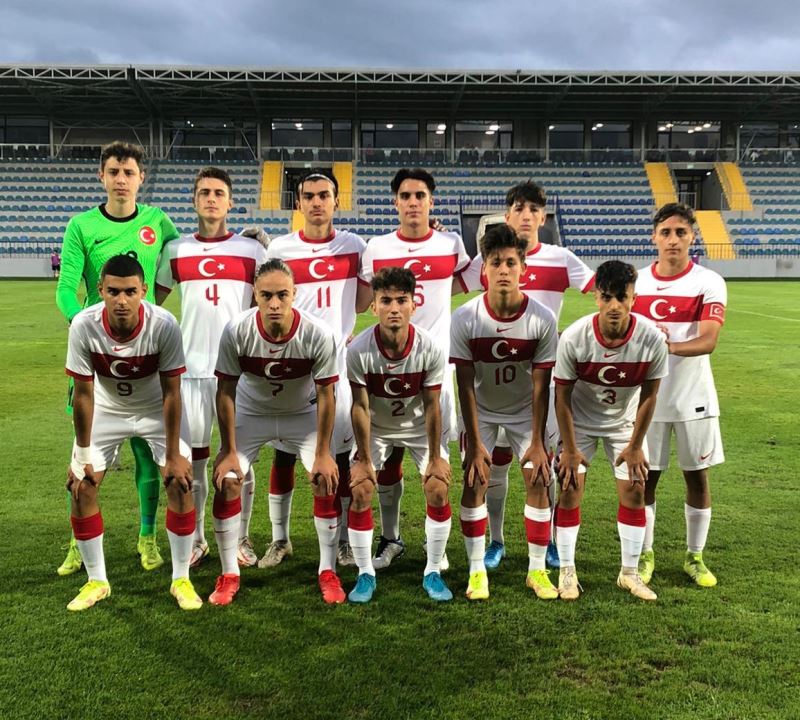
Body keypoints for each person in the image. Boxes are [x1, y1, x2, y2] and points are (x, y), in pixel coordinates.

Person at [56, 141, 180, 577]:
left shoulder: (157, 222)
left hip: (143, 352)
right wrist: (85, 323)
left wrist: (154, 307)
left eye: (129, 171)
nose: (121, 179)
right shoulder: (81, 225)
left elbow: (179, 261)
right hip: (96, 355)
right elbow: (65, 287)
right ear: (102, 177)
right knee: (84, 456)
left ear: (141, 177)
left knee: (149, 455)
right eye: (113, 171)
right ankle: (78, 542)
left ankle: (147, 539)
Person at [457, 181, 595, 570]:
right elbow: (447, 289)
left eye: (535, 209)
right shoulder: (486, 260)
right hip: (491, 383)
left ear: (544, 217)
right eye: (519, 208)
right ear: (507, 214)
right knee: (493, 464)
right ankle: (496, 541)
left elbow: (601, 293)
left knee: (541, 465)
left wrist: (570, 336)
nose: (527, 215)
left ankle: (547, 541)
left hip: (540, 377)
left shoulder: (561, 258)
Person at [64, 254, 199, 611]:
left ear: (143, 291)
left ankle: (181, 578)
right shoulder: (82, 325)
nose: (121, 300)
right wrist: (81, 455)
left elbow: (173, 392)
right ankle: (97, 581)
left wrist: (173, 456)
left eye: (129, 292)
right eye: (113, 292)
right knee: (81, 487)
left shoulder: (164, 324)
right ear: (100, 290)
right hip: (108, 409)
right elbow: (83, 394)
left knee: (179, 482)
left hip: (156, 408)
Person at [156, 167, 269, 568]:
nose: (211, 199)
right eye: (204, 192)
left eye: (219, 192)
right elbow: (154, 304)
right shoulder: (176, 250)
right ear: (194, 200)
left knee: (241, 461)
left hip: (238, 373)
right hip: (190, 372)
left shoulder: (253, 251)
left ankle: (240, 538)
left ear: (230, 201)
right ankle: (201, 539)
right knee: (197, 460)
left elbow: (268, 303)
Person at [211, 259, 341, 605]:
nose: (274, 304)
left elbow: (328, 395)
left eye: (282, 295)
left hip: (302, 413)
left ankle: (327, 572)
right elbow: (224, 392)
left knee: (324, 478)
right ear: (254, 295)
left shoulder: (317, 333)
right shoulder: (236, 330)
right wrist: (227, 450)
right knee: (228, 480)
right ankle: (228, 574)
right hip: (252, 413)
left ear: (294, 294)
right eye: (266, 295)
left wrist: (324, 453)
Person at [358, 167, 470, 570]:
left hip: (436, 373)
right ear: (395, 202)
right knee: (386, 462)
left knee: (437, 466)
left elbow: (468, 283)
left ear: (431, 201)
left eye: (420, 195)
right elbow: (363, 300)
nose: (412, 202)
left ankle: (434, 551)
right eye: (405, 195)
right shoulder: (377, 247)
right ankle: (391, 539)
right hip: (386, 371)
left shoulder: (451, 244)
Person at [260, 168, 369, 570]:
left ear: (336, 201)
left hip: (336, 365)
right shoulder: (283, 249)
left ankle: (340, 542)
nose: (317, 202)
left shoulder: (355, 246)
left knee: (338, 455)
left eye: (325, 195)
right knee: (283, 453)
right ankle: (280, 539)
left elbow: (360, 305)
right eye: (309, 196)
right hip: (292, 364)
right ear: (299, 202)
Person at [451, 225, 558, 601]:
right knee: (475, 479)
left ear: (523, 268)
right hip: (481, 410)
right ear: (484, 269)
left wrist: (540, 443)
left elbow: (541, 385)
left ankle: (537, 570)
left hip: (525, 411)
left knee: (539, 478)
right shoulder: (465, 318)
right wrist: (476, 443)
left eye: (510, 262)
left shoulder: (542, 318)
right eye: (495, 262)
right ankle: (477, 569)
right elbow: (464, 383)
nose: (503, 270)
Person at [554, 260, 668, 601]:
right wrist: (571, 450)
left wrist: (635, 446)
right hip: (580, 424)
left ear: (634, 297)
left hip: (623, 424)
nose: (615, 306)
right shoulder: (575, 338)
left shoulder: (651, 339)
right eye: (607, 297)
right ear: (596, 299)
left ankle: (629, 573)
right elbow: (561, 397)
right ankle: (567, 571)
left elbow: (650, 395)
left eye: (623, 297)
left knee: (635, 489)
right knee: (570, 488)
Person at [633, 203, 726, 588]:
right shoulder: (636, 282)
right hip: (647, 399)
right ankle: (645, 555)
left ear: (692, 237)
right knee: (645, 479)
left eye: (681, 233)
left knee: (697, 476)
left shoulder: (708, 281)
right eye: (666, 232)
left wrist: (665, 348)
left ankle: (695, 557)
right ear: (654, 237)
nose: (673, 239)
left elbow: (708, 341)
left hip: (694, 397)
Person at [346, 267, 452, 603]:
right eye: (386, 300)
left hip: (420, 428)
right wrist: (363, 460)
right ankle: (365, 573)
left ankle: (432, 569)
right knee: (361, 489)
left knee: (437, 487)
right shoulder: (359, 350)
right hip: (377, 428)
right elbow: (360, 408)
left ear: (413, 305)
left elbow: (433, 406)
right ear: (374, 306)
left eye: (401, 300)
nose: (394, 308)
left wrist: (435, 457)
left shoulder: (430, 347)